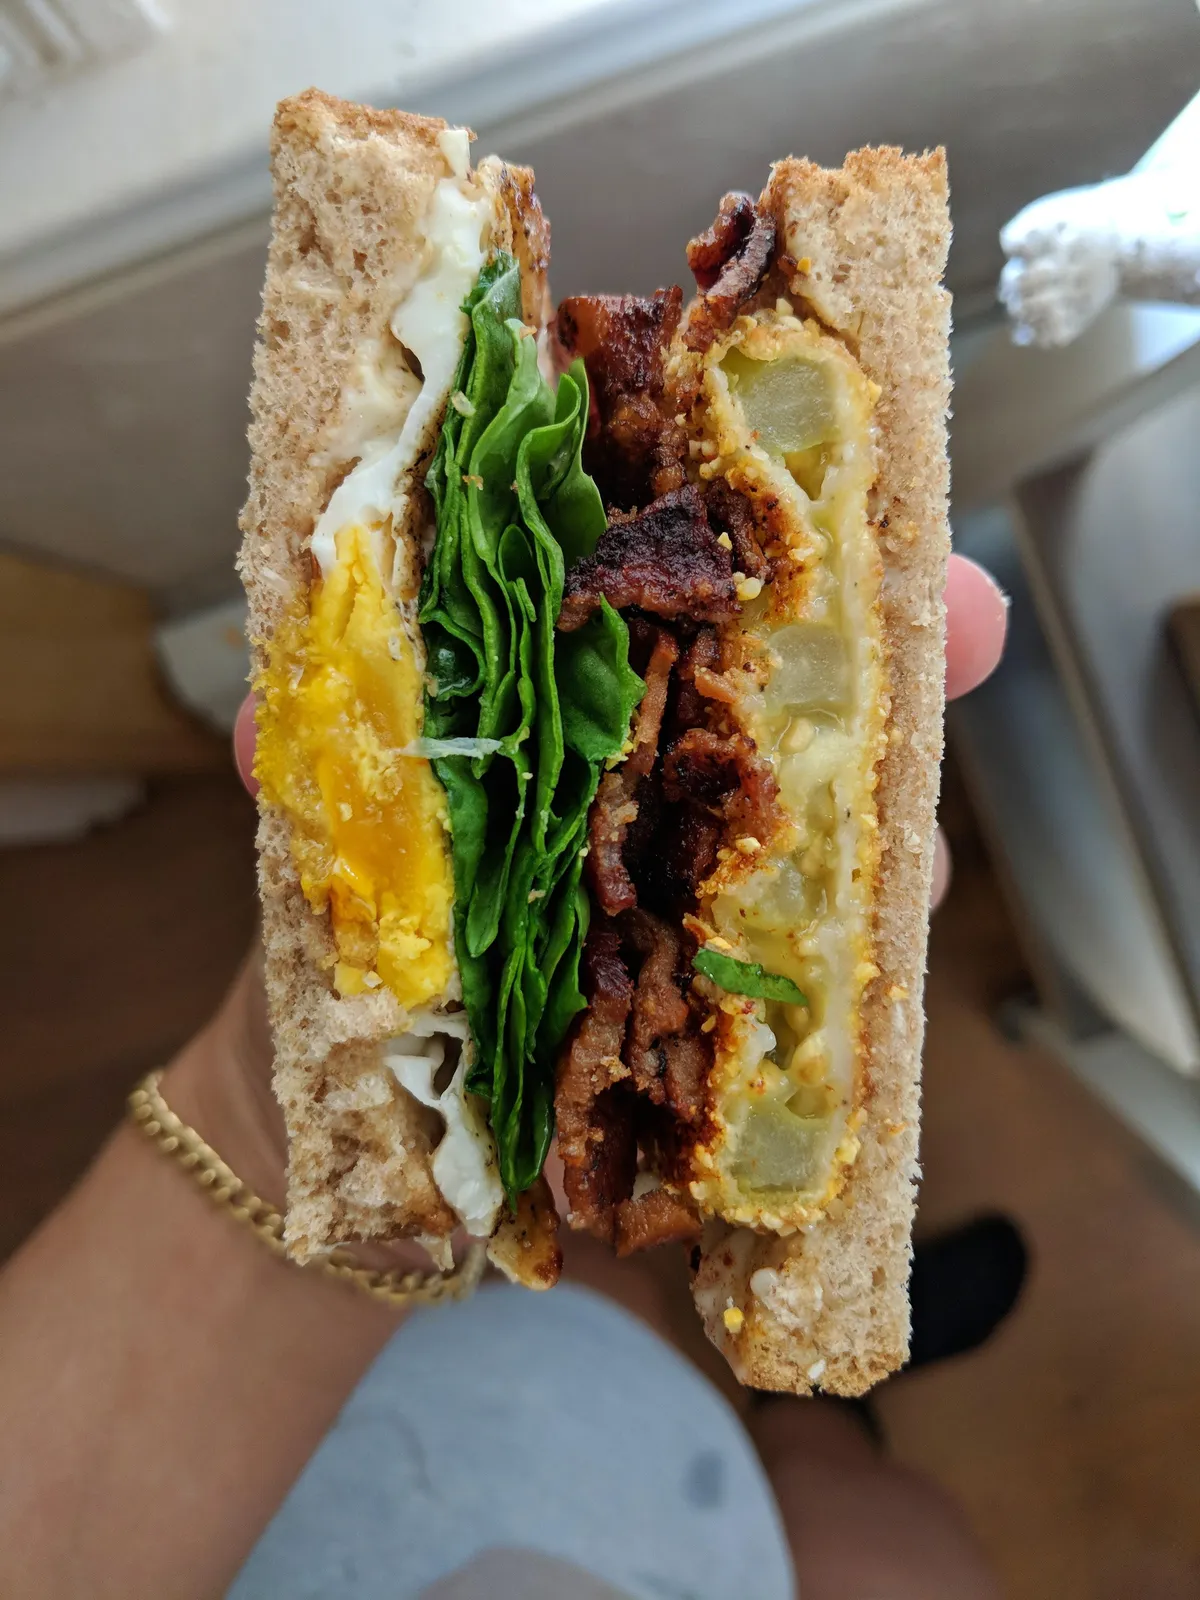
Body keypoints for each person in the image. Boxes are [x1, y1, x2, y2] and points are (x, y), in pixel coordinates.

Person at [0, 556, 1009, 1600]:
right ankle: (815, 1423)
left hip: (289, 1486)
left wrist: (262, 1127)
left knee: (604, 1292)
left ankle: (768, 1378)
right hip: (684, 1542)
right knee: (896, 1544)